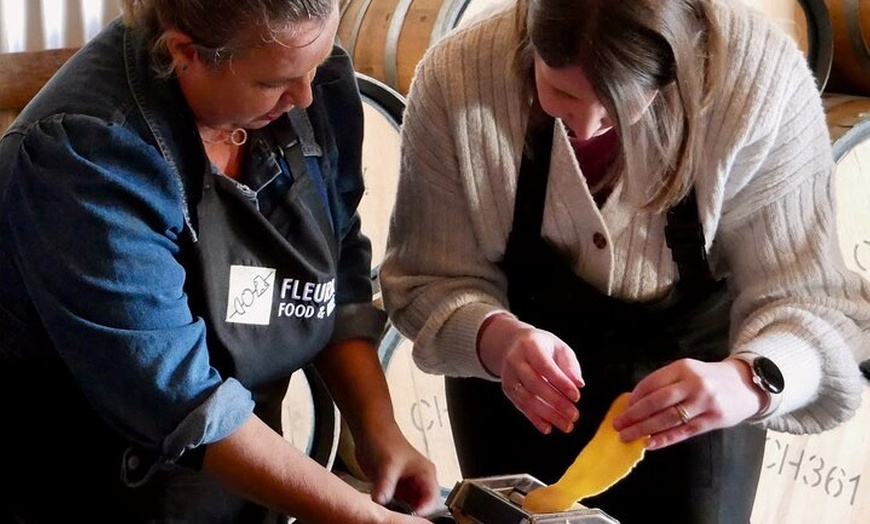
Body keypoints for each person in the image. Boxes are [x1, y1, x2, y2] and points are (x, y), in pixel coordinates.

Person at [379, 0, 870, 522]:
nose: (586, 128)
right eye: (561, 92)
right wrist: (493, 338)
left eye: (619, 105)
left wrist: (750, 382)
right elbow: (426, 278)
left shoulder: (758, 81)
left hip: (694, 404)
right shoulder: (458, 76)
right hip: (518, 399)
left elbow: (810, 299)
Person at [0, 0, 440, 522]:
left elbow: (336, 266)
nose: (303, 97)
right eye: (272, 83)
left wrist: (377, 428)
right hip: (98, 487)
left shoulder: (305, 80)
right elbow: (180, 401)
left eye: (314, 68)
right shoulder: (86, 150)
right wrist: (360, 515)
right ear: (186, 53)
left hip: (246, 473)